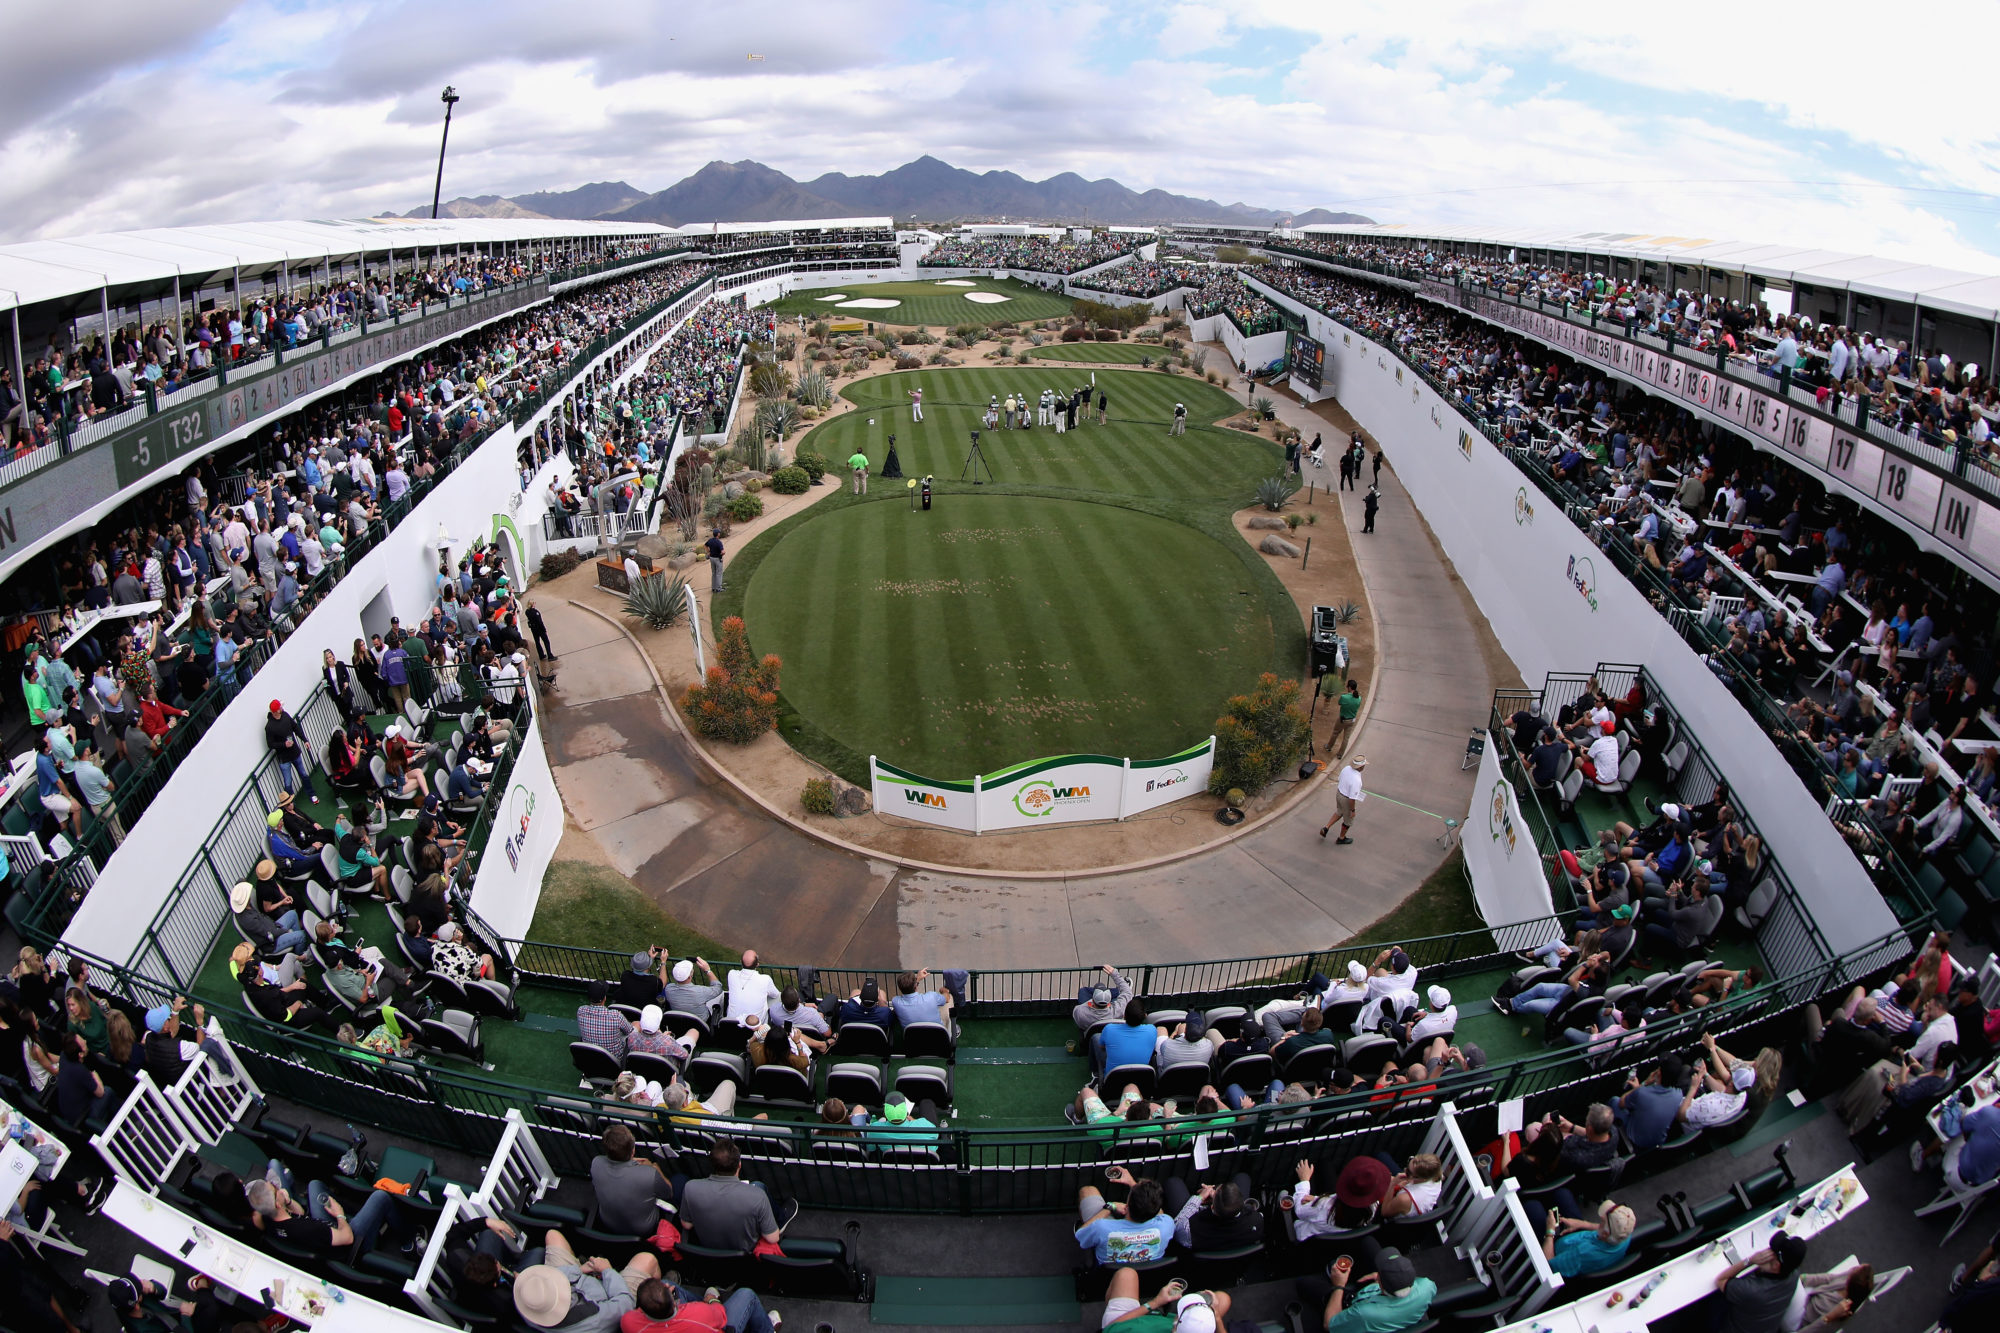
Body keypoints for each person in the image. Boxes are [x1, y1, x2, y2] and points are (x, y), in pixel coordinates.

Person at [511, 1227, 660, 1333]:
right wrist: (607, 1271)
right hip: (609, 1296)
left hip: (577, 1281)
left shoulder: (529, 1301)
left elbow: (553, 1276)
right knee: (648, 1259)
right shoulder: (593, 1319)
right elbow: (625, 1302)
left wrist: (579, 1271)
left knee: (553, 1235)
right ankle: (660, 1293)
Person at [677, 1139, 795, 1250]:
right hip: (745, 1258)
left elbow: (686, 1225)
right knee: (758, 1185)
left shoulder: (690, 1187)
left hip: (707, 1253)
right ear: (739, 1165)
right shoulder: (757, 1196)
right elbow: (772, 1238)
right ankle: (780, 1219)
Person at [1299, 1247, 1434, 1333]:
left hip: (1358, 1309)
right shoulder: (1427, 1286)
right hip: (1387, 1302)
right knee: (1367, 1243)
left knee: (1304, 1283)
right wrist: (1380, 1277)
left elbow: (1329, 1325)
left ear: (1380, 1284)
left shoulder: (1364, 1314)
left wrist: (1339, 1285)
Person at [1713, 1234, 1809, 1333]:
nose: (1766, 1250)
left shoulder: (1753, 1290)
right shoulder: (1793, 1273)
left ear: (1776, 1265)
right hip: (1763, 1325)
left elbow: (1720, 1280)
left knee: (1713, 1298)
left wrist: (1749, 1260)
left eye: (1770, 1250)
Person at [590, 1124, 675, 1236]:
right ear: (633, 1151)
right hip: (643, 1229)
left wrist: (630, 1160)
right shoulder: (649, 1173)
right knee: (679, 1180)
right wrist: (656, 1168)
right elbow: (669, 1193)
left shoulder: (596, 1163)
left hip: (608, 1223)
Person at [622, 1276, 782, 1333]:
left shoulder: (628, 1322)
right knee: (746, 1294)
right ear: (671, 1301)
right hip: (714, 1322)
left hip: (690, 1318)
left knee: (664, 1282)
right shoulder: (698, 1314)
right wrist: (712, 1300)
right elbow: (721, 1315)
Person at [1075, 1174, 1172, 1267]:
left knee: (1088, 1190)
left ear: (1127, 1205)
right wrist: (1133, 1185)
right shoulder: (1167, 1225)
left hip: (1109, 1277)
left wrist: (1109, 1207)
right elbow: (1158, 1211)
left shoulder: (1101, 1227)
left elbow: (1080, 1234)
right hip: (1144, 1273)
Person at [1100, 1270, 1230, 1331]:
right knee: (1223, 1299)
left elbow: (1112, 1327)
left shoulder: (1138, 1330)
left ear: (1176, 1323)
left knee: (1126, 1274)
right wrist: (1216, 1316)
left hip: (1129, 1323)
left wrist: (1155, 1302)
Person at [1538, 1199, 1636, 1279]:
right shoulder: (1625, 1234)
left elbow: (1548, 1265)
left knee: (1533, 1207)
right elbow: (1604, 1230)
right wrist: (1582, 1224)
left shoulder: (1582, 1254)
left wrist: (1550, 1231)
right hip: (1578, 1237)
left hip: (1556, 1250)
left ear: (1605, 1234)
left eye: (1602, 1220)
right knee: (1562, 1195)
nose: (1600, 1219)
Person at [578, 981, 636, 1062]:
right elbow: (629, 1031)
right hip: (614, 1060)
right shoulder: (616, 1016)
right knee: (636, 1026)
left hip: (590, 1058)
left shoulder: (581, 1011)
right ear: (604, 998)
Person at [724, 950, 782, 1023]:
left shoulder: (731, 974)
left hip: (730, 1025)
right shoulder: (765, 979)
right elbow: (775, 995)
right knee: (777, 998)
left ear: (740, 962)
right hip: (756, 1028)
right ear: (757, 965)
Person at [890, 967, 952, 1032]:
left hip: (912, 1040)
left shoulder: (896, 1002)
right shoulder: (931, 996)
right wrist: (944, 991)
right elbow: (947, 999)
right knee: (950, 998)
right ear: (916, 986)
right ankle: (951, 1028)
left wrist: (917, 980)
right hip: (938, 1038)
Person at [1321, 755, 1367, 844]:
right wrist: (1352, 810)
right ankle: (1341, 838)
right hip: (1346, 799)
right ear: (1361, 767)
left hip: (1339, 793)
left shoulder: (1346, 768)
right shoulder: (1357, 780)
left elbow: (1340, 779)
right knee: (1348, 820)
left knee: (1339, 811)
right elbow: (1352, 799)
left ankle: (1326, 827)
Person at [1074, 965, 1133, 1029]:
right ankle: (1117, 992)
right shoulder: (1118, 1010)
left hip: (1089, 1034)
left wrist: (1091, 1002)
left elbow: (1077, 1010)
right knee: (1120, 993)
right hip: (1109, 1018)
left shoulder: (1080, 1012)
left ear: (1092, 1000)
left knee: (1083, 991)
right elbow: (1127, 992)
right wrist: (1115, 974)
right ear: (1109, 1003)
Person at [705, 529, 725, 593]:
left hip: (711, 558)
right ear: (718, 534)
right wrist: (721, 554)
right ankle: (719, 588)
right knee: (719, 573)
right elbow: (723, 552)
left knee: (714, 573)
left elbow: (705, 545)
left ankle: (713, 588)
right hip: (717, 559)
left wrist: (709, 552)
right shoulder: (719, 542)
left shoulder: (710, 540)